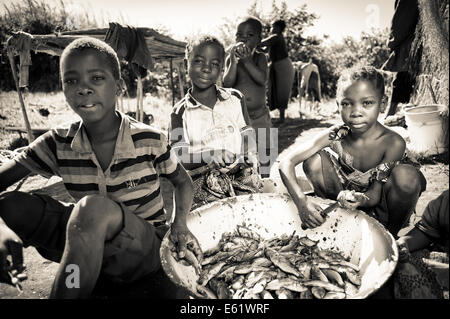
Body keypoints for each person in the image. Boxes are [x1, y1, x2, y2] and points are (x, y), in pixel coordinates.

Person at [0, 37, 201, 299]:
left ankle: (67, 293)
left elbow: (183, 181)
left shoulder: (149, 139)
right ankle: (81, 272)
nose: (83, 89)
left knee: (91, 209)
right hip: (85, 239)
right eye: (71, 81)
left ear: (119, 86)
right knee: (10, 206)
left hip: (144, 248)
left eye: (96, 78)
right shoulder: (57, 142)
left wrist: (180, 224)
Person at [278, 65, 427, 237]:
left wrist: (361, 199)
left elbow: (375, 194)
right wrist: (301, 202)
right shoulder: (337, 134)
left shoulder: (392, 143)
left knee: (407, 176)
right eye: (347, 104)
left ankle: (389, 236)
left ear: (383, 103)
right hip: (343, 203)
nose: (356, 112)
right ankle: (337, 222)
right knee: (313, 161)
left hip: (381, 206)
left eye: (367, 103)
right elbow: (286, 162)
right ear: (338, 105)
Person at [169, 35, 261, 209]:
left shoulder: (235, 98)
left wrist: (250, 154)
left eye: (215, 64)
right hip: (202, 184)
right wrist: (208, 154)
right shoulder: (179, 112)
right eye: (199, 61)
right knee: (213, 223)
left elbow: (246, 131)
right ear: (185, 64)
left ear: (221, 69)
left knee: (251, 213)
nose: (206, 69)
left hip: (241, 174)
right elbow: (178, 154)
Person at [222, 16, 274, 178]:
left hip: (260, 116)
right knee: (243, 153)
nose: (243, 38)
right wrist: (235, 62)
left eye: (249, 35)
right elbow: (227, 83)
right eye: (239, 35)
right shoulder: (231, 59)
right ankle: (246, 180)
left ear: (259, 39)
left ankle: (265, 178)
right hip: (239, 119)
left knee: (265, 151)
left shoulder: (260, 58)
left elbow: (261, 79)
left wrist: (247, 61)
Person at [394, 189, 449, 299]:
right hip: (442, 258)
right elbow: (426, 231)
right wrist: (404, 243)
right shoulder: (446, 201)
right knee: (401, 265)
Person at [259, 19, 295, 123]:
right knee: (275, 89)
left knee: (281, 91)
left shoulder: (276, 37)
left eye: (273, 26)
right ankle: (280, 117)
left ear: (279, 28)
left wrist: (251, 42)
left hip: (283, 66)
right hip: (277, 66)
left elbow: (262, 43)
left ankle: (282, 118)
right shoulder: (275, 38)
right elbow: (264, 49)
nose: (271, 29)